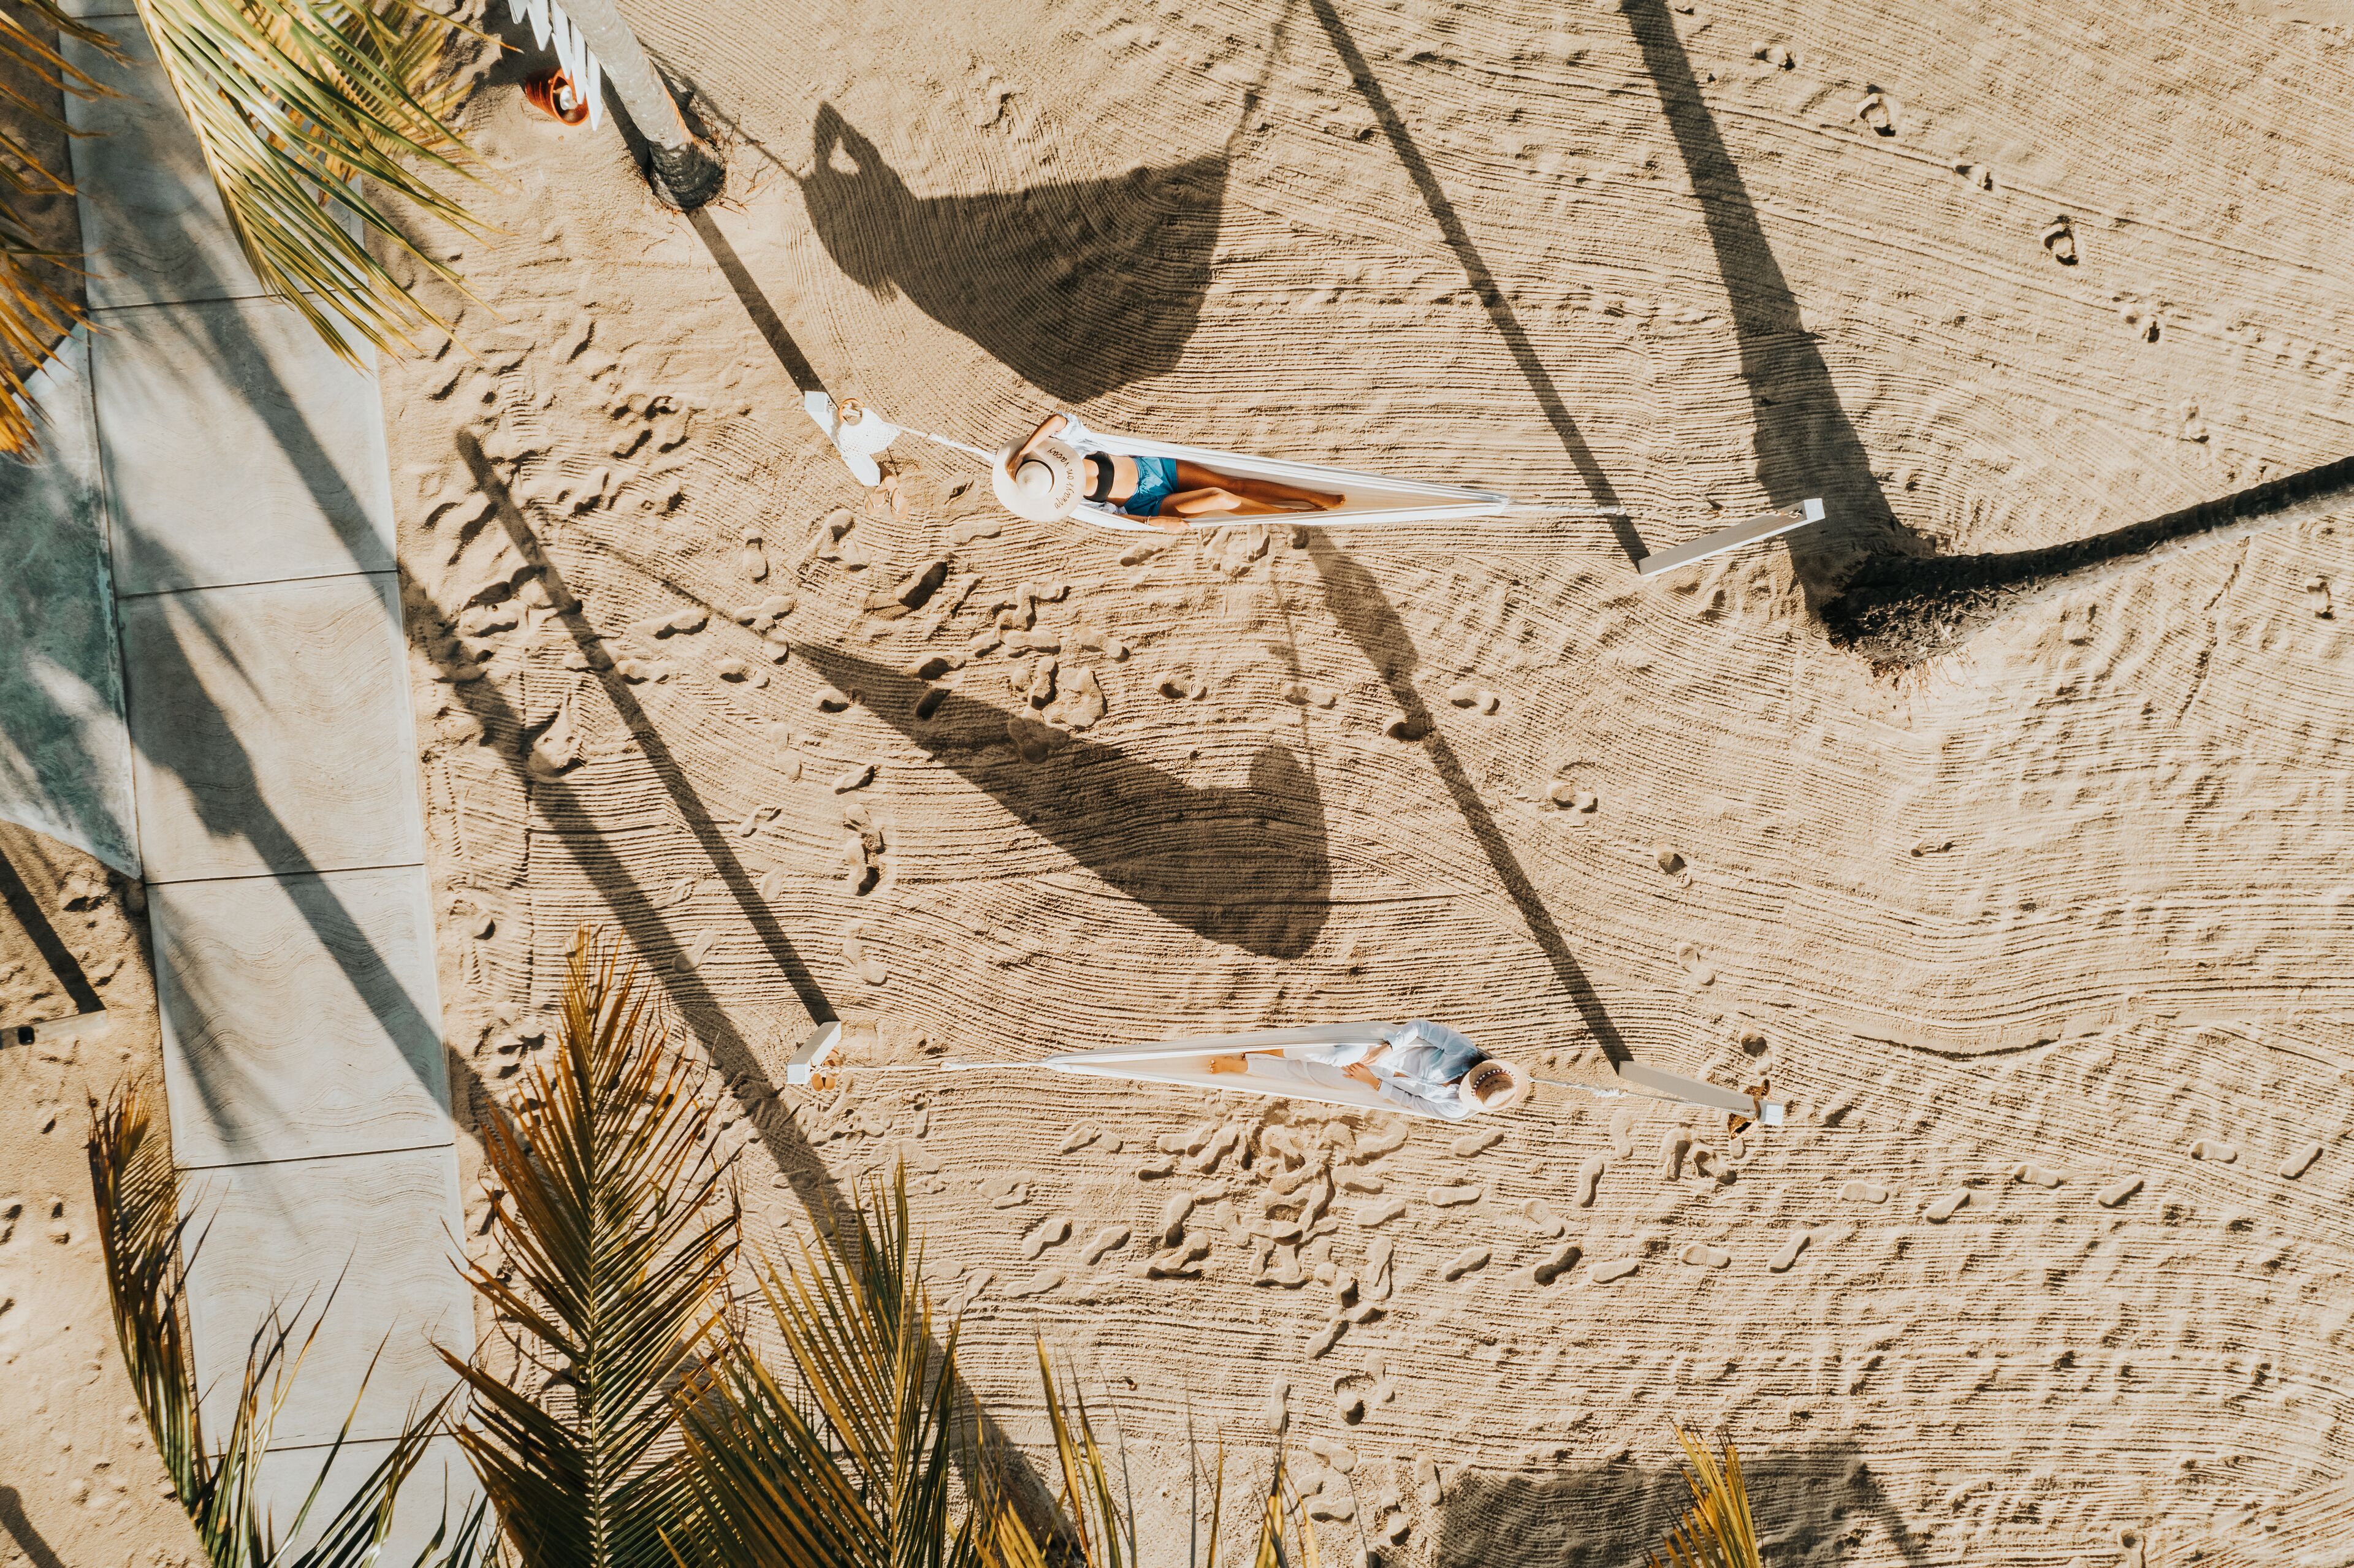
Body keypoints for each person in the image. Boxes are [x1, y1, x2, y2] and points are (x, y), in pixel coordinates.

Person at [1007, 411, 1344, 531]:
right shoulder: (1066, 503)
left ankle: (1311, 496)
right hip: (1147, 505)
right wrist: (1155, 523)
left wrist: (1022, 451)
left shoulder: (1070, 446)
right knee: (1219, 497)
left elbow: (1057, 420)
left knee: (1233, 481)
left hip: (1153, 468)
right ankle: (1291, 516)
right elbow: (1113, 517)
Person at [1206, 1019, 1529, 1120]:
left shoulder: (1456, 1109)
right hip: (1385, 1053)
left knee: (1312, 1076)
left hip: (1376, 1081)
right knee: (1338, 1054)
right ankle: (1261, 1048)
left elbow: (1413, 1103)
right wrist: (1388, 1048)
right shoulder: (1465, 1051)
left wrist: (1374, 1083)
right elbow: (1420, 1027)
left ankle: (1247, 1065)